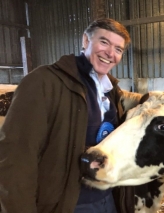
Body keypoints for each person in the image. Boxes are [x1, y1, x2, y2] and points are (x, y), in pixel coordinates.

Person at [0, 18, 137, 213]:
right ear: (86, 41)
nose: (110, 53)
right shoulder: (44, 83)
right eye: (104, 42)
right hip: (68, 202)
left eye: (118, 49)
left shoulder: (112, 91)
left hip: (107, 198)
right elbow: (16, 157)